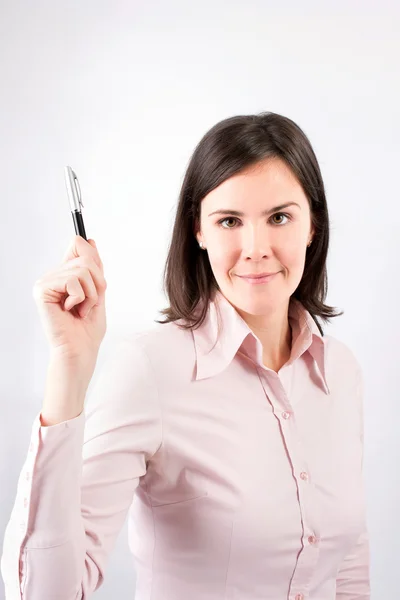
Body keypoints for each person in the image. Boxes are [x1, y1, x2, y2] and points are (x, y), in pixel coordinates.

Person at [1, 111, 370, 600]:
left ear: (312, 225)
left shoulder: (339, 371)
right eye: (230, 221)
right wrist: (68, 369)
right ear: (199, 230)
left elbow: (347, 567)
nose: (256, 248)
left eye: (279, 217)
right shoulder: (149, 371)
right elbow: (45, 593)